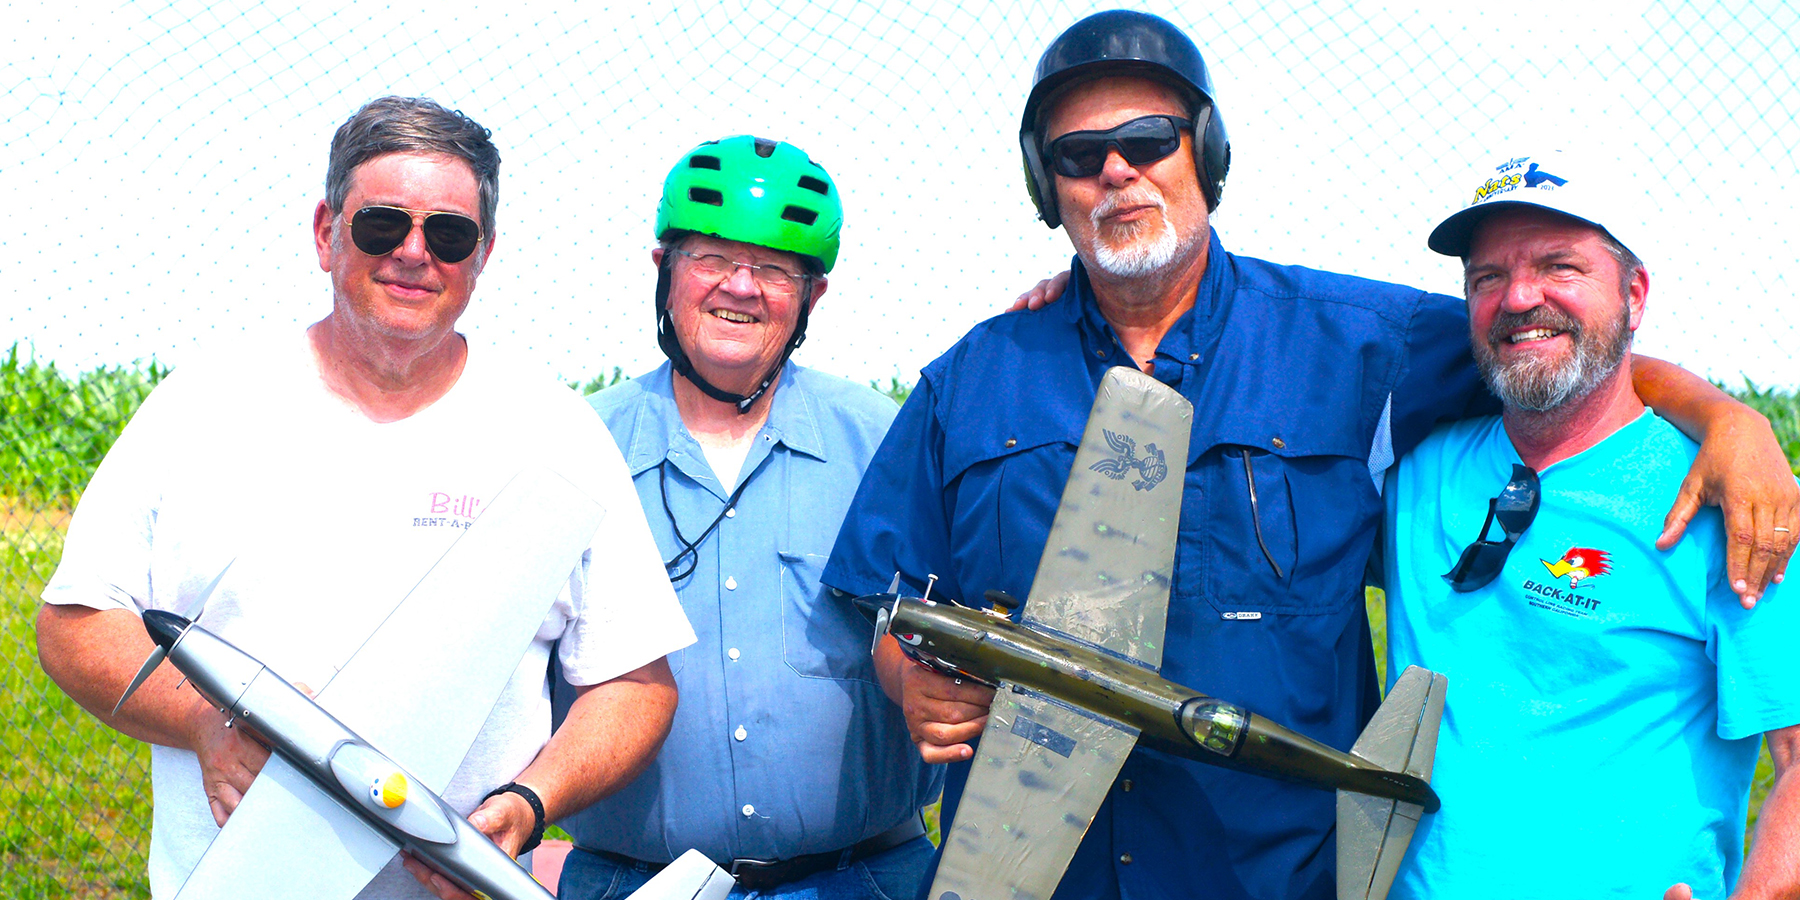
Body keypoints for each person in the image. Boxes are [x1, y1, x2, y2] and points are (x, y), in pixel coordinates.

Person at [823, 11, 1798, 900]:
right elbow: (891, 590)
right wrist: (910, 680)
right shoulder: (973, 376)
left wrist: (1729, 421)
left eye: (1149, 141)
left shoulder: (1365, 344)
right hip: (1040, 877)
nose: (1116, 171)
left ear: (1204, 155)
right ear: (1049, 188)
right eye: (1079, 155)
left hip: (1272, 882)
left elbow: (1554, 348)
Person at [35, 96, 696, 900]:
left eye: (449, 234)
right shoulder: (203, 404)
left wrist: (527, 806)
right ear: (325, 231)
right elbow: (76, 622)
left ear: (483, 253)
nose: (414, 254)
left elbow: (633, 681)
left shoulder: (554, 431)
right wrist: (207, 723)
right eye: (383, 224)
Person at [1381, 149, 1800, 900]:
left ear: (1634, 294)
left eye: (1560, 267)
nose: (1518, 297)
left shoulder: (1735, 507)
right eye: (1487, 277)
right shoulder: (1418, 471)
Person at [551, 136, 939, 900]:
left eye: (774, 268)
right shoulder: (576, 451)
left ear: (812, 297)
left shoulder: (884, 440)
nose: (741, 286)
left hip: (865, 879)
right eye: (711, 258)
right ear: (662, 269)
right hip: (629, 884)